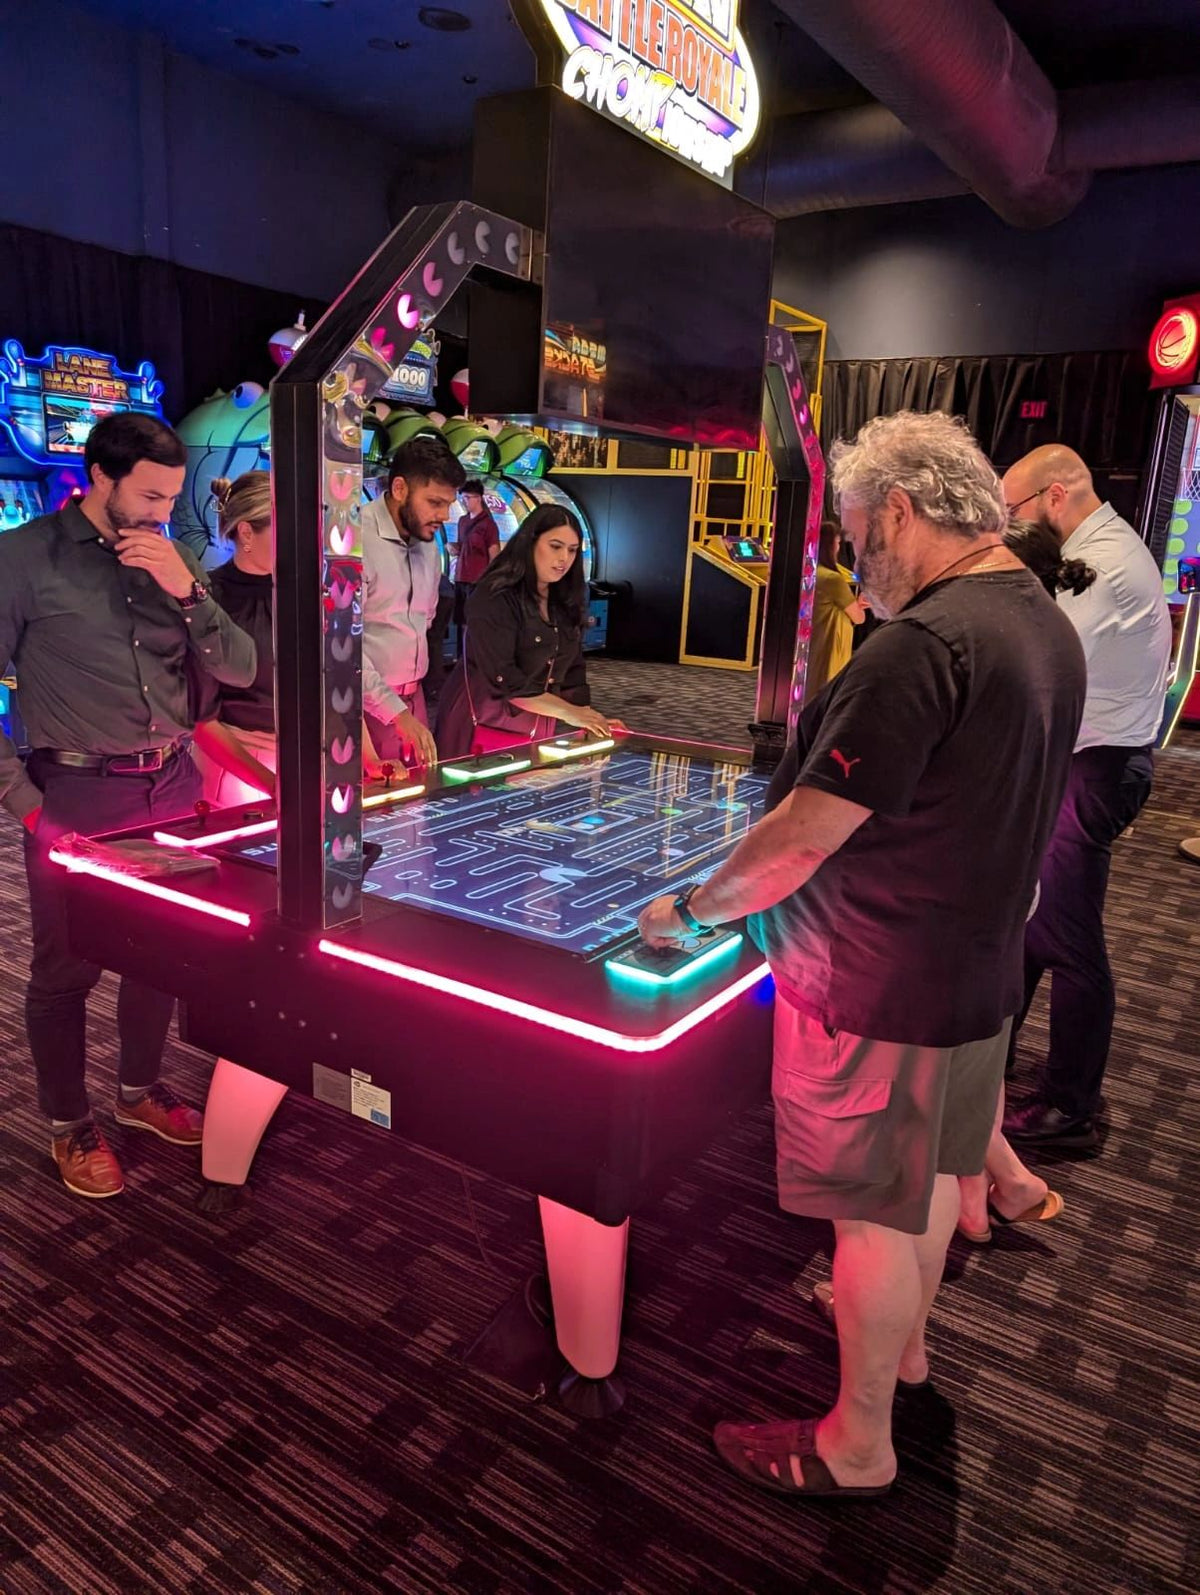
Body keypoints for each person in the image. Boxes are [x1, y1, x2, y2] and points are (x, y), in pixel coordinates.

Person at [637, 411, 1085, 1500]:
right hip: (977, 972)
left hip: (876, 982)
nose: (851, 557)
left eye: (852, 533)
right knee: (929, 1187)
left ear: (898, 510)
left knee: (873, 1219)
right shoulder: (1040, 617)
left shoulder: (921, 646)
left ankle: (857, 1442)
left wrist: (695, 910)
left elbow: (800, 834)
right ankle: (907, 1355)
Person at [0, 411, 257, 1198]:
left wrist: (189, 593)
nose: (162, 513)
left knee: (163, 954)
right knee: (65, 969)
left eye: (173, 499)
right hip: (73, 790)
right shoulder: (24, 558)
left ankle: (140, 1091)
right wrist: (26, 802)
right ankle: (69, 1123)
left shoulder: (173, 559)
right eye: (149, 496)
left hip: (172, 785)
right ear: (101, 477)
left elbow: (241, 669)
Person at [1000, 445, 1172, 1150]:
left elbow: (1037, 660)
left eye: (1011, 510)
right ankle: (995, 1052)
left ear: (1054, 496)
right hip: (1095, 760)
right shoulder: (1105, 546)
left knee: (1068, 941)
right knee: (1033, 928)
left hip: (1098, 770)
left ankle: (1071, 1107)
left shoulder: (1104, 565)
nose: (1006, 524)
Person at [436, 504, 617, 759]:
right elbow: (505, 679)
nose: (564, 558)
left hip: (538, 718)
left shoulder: (564, 598)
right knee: (477, 795)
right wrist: (570, 713)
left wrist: (590, 719)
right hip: (481, 721)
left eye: (572, 550)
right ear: (530, 543)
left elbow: (573, 668)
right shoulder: (494, 595)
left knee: (525, 791)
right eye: (555, 546)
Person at [362, 436, 466, 769]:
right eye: (435, 502)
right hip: (365, 708)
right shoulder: (354, 539)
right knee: (372, 810)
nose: (445, 516)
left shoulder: (428, 545)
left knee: (416, 809)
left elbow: (426, 620)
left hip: (414, 700)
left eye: (449, 504)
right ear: (400, 488)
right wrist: (395, 712)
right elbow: (338, 647)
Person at [191, 472, 278, 806]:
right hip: (237, 766)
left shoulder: (305, 590)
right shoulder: (208, 598)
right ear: (246, 532)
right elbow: (202, 721)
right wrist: (270, 782)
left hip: (308, 758)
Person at [805, 519, 868, 701]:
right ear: (829, 545)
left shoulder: (811, 572)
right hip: (831, 643)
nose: (839, 548)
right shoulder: (833, 579)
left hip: (814, 639)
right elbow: (859, 618)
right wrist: (858, 607)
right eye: (838, 543)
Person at [451, 478, 501, 626]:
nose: (464, 501)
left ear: (478, 498)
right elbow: (461, 546)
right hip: (460, 577)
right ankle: (462, 649)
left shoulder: (488, 525)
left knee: (473, 621)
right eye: (462, 497)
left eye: (467, 497)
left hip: (477, 580)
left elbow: (494, 554)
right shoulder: (462, 521)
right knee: (460, 621)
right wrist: (452, 547)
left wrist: (490, 582)